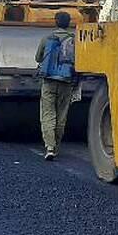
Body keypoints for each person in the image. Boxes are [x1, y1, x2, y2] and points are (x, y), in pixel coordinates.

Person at [34, 11, 76, 160]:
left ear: (55, 22)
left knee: (48, 114)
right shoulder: (74, 40)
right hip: (66, 82)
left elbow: (38, 57)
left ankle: (49, 147)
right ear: (69, 23)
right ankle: (56, 145)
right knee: (62, 115)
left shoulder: (47, 38)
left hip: (49, 81)